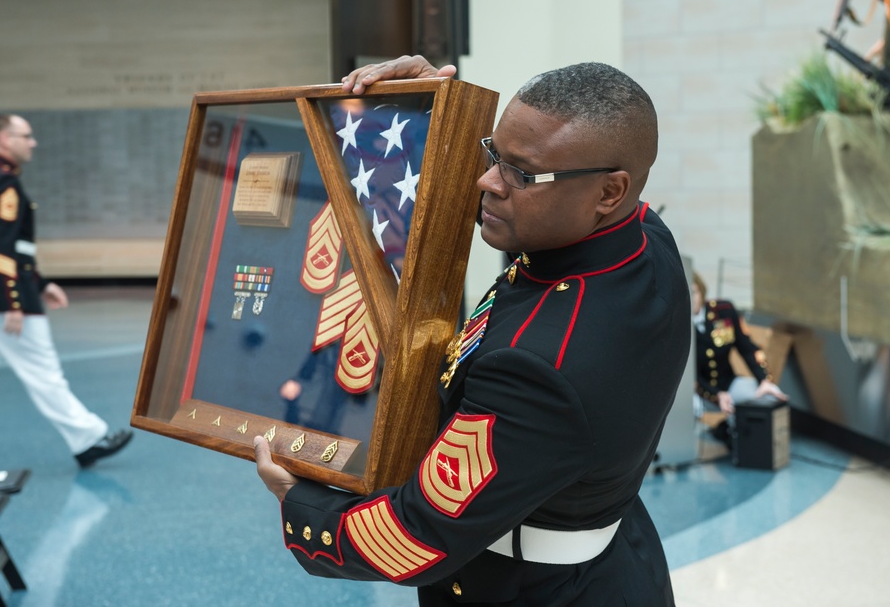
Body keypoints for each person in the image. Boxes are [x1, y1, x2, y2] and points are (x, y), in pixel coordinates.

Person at [254, 56, 690, 605]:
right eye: (493, 154)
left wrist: (298, 501)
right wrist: (421, 117)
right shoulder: (641, 237)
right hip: (611, 555)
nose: (489, 181)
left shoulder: (542, 365)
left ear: (608, 192)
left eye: (520, 173)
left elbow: (416, 535)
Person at [0, 114, 132, 471]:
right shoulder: (4, 183)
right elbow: (3, 247)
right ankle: (87, 439)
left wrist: (40, 283)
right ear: (6, 139)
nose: (33, 142)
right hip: (0, 297)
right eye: (27, 136)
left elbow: (8, 247)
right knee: (43, 371)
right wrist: (15, 301)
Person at [691, 272, 787, 446]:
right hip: (698, 391)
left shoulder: (724, 311)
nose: (691, 298)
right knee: (684, 409)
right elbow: (687, 374)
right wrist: (716, 396)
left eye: (694, 292)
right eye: (686, 293)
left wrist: (764, 379)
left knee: (769, 397)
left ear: (702, 291)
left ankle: (730, 431)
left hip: (728, 382)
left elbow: (748, 348)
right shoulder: (674, 323)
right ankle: (684, 455)